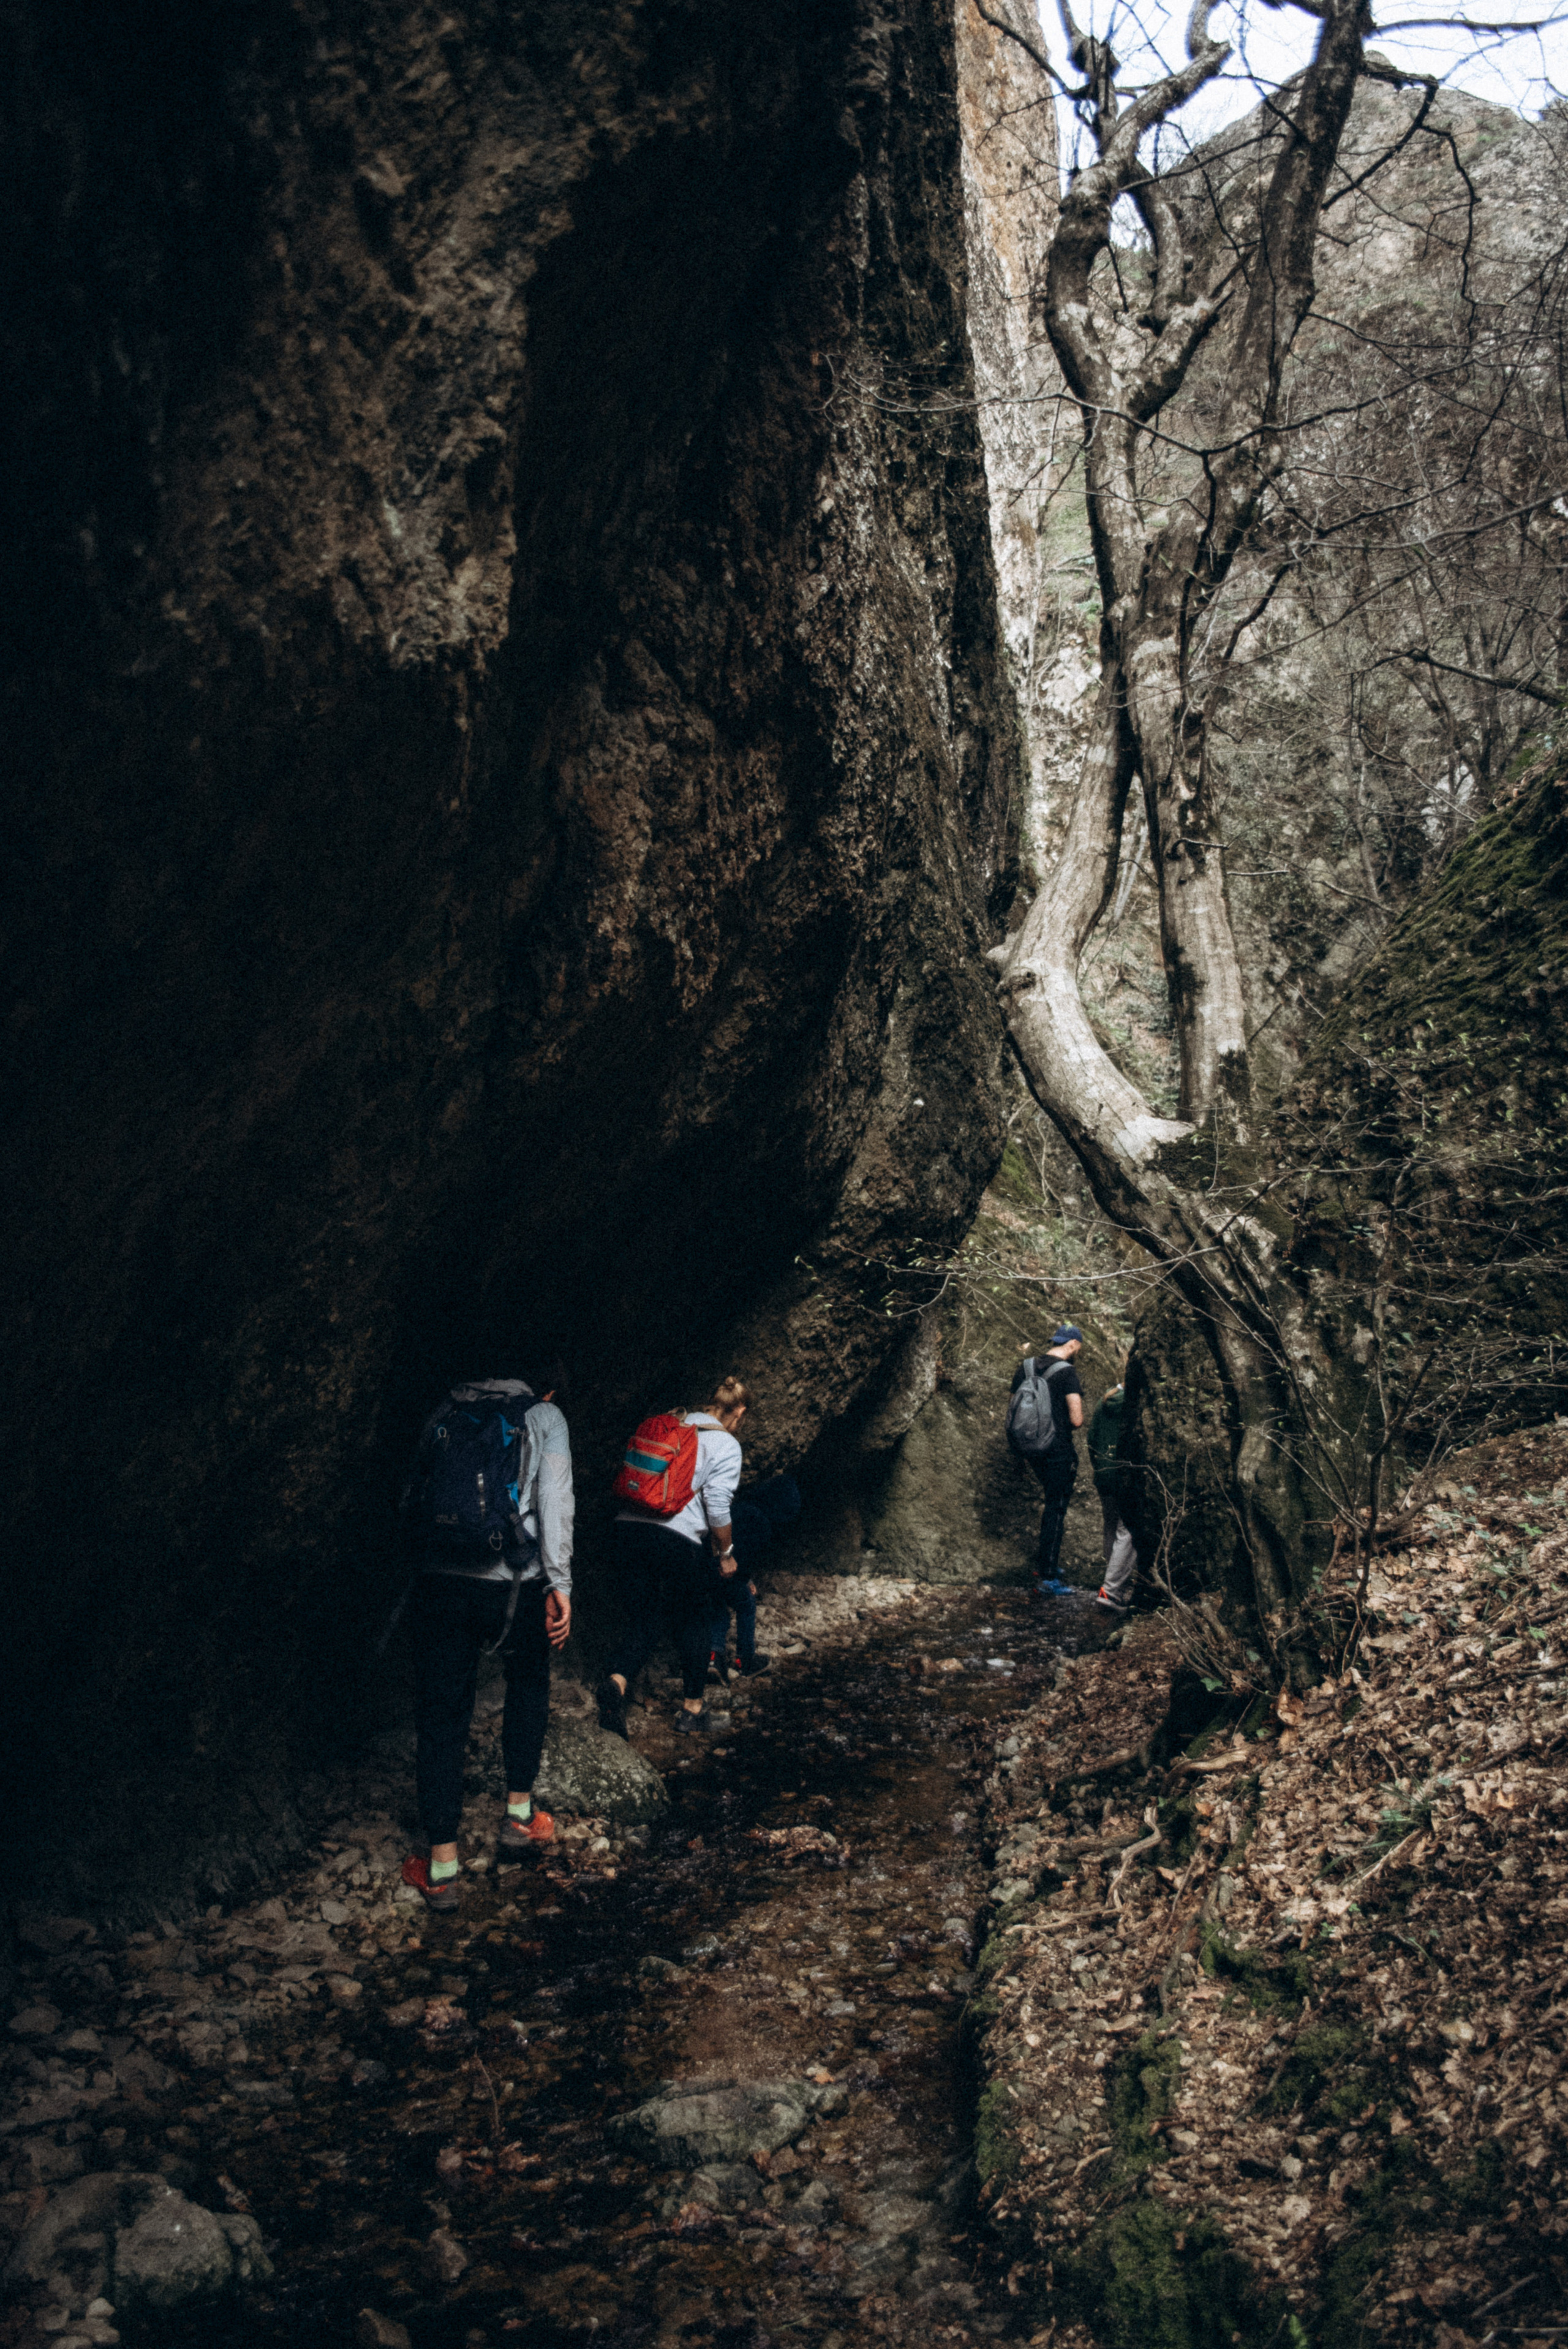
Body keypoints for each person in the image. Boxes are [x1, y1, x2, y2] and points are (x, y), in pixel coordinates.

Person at [398, 1364, 574, 1913]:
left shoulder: (445, 1409)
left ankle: (442, 1869)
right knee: (528, 1682)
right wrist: (560, 1584)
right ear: (541, 1381)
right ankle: (518, 1818)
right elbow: (556, 1503)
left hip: (442, 1582)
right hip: (514, 1585)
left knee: (442, 1714)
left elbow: (414, 1494)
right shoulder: (544, 1415)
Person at [598, 1377, 749, 1738]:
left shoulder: (673, 1422)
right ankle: (692, 1711)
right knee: (694, 1620)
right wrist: (726, 1554)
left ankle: (616, 1684)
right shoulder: (726, 1444)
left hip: (628, 1528)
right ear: (740, 1412)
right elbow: (717, 1506)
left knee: (645, 1618)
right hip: (675, 1538)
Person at [707, 1473, 801, 1684]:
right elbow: (744, 1558)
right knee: (746, 1605)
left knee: (718, 1610)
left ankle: (713, 1659)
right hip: (724, 1569)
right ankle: (745, 1660)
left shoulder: (739, 1508)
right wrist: (746, 1580)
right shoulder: (761, 1522)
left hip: (705, 1567)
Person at [1011, 1325, 1084, 1592]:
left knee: (1051, 1504)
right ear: (1073, 1344)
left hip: (1031, 1449)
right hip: (1057, 1450)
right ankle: (1048, 1577)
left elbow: (1012, 1410)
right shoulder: (1067, 1372)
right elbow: (1076, 1419)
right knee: (1056, 1508)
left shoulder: (1026, 1367)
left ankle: (1045, 1562)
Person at [1087, 1360, 1138, 1613]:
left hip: (1104, 1475)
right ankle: (1111, 1591)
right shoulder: (1135, 1404)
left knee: (1111, 1527)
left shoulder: (1105, 1400)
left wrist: (1100, 1467)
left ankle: (1110, 1583)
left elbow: (1092, 1439)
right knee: (1127, 1531)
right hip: (1124, 1476)